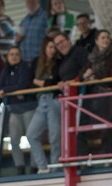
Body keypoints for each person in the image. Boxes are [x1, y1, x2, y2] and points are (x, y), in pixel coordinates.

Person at [0, 46, 36, 174]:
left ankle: (34, 165)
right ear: (7, 57)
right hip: (14, 109)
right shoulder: (6, 69)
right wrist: (13, 91)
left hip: (28, 107)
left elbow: (22, 84)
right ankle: (19, 166)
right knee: (14, 139)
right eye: (11, 54)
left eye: (17, 54)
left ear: (21, 56)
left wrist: (7, 91)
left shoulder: (24, 67)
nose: (14, 57)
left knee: (32, 137)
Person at [26, 36, 62, 174]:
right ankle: (43, 166)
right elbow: (29, 81)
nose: (53, 50)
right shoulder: (36, 62)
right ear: (44, 48)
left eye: (54, 48)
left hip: (54, 99)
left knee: (55, 136)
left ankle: (56, 167)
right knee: (31, 134)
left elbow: (54, 82)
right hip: (41, 100)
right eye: (50, 47)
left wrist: (39, 82)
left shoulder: (58, 62)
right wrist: (44, 83)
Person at [17, 0, 51, 64]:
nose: (30, 2)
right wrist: (17, 39)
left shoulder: (46, 16)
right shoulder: (24, 21)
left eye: (32, 0)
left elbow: (51, 38)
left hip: (40, 61)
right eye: (28, 1)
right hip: (25, 62)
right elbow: (17, 41)